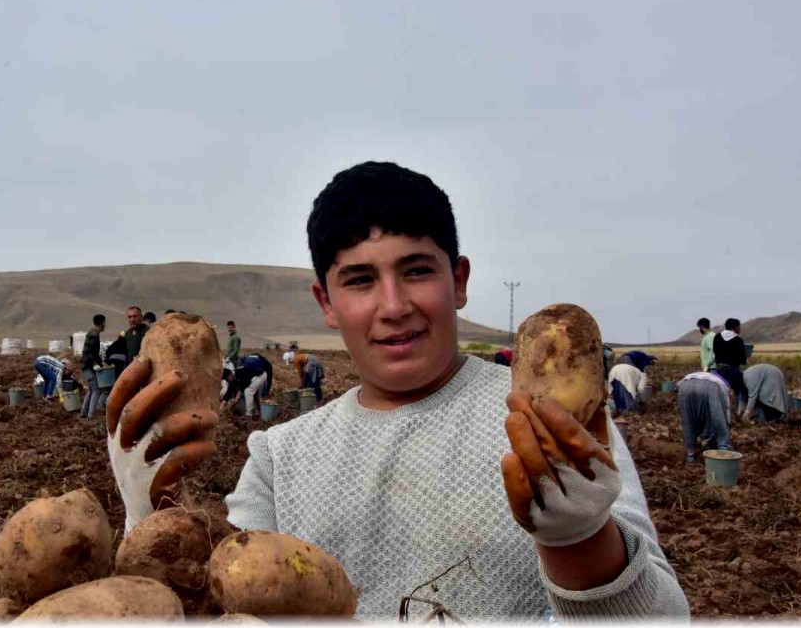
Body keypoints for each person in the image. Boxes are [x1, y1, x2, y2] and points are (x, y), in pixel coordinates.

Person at [102, 162, 687, 621]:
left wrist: (581, 540)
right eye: (360, 280)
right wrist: (145, 511)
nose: (394, 306)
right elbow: (213, 603)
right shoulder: (281, 456)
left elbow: (663, 620)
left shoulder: (548, 430)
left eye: (416, 271)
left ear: (458, 281)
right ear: (326, 304)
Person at [677, 369, 735, 464]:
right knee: (719, 418)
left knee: (688, 419)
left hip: (685, 385)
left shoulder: (715, 377)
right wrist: (727, 428)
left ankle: (690, 454)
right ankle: (724, 449)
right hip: (710, 386)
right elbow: (723, 413)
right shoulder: (725, 387)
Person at [80, 314, 106, 420]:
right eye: (104, 323)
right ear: (102, 323)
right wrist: (95, 364)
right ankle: (91, 416)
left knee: (91, 389)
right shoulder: (94, 335)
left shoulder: (93, 333)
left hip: (86, 366)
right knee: (96, 390)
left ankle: (83, 413)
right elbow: (88, 352)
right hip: (87, 366)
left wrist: (101, 363)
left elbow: (94, 354)